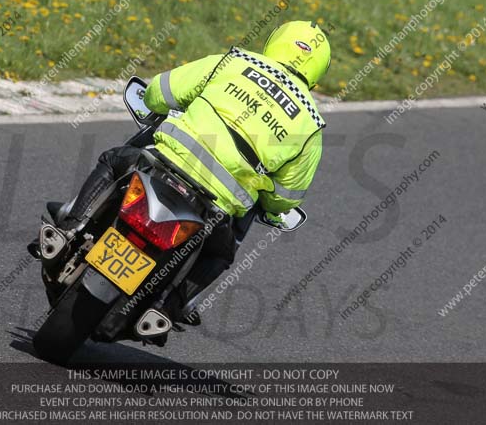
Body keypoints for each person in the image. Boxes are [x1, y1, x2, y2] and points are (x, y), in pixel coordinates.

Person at [36, 20, 331, 324]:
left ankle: (69, 229)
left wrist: (159, 104)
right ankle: (167, 308)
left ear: (274, 42)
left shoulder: (236, 61)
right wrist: (267, 198)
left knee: (113, 162)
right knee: (220, 255)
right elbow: (285, 198)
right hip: (217, 204)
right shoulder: (311, 124)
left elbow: (160, 92)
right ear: (318, 72)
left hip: (164, 162)